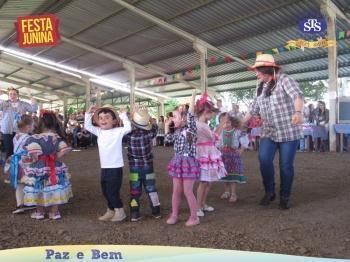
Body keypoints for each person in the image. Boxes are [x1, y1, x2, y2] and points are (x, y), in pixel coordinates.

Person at [244, 54, 304, 210]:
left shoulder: (284, 80)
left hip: (288, 131)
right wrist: (239, 124)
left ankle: (285, 196)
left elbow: (297, 96)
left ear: (266, 69)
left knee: (285, 165)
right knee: (264, 160)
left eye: (257, 70)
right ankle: (269, 192)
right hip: (269, 131)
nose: (256, 73)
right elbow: (252, 110)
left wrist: (298, 112)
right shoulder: (260, 87)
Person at [21, 110, 72, 220]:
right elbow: (62, 152)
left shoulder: (34, 138)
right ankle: (54, 212)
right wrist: (54, 157)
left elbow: (33, 155)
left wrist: (34, 160)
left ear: (40, 123)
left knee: (38, 187)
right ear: (54, 123)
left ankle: (39, 212)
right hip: (54, 165)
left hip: (38, 166)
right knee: (55, 186)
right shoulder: (57, 138)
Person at [85, 104, 131, 222]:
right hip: (104, 167)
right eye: (100, 118)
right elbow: (87, 126)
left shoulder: (118, 131)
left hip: (115, 168)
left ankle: (120, 211)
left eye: (107, 117)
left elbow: (128, 128)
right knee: (105, 191)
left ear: (114, 120)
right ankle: (111, 210)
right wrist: (88, 113)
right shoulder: (99, 132)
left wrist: (123, 115)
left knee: (112, 191)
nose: (103, 120)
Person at [165, 91, 200, 226]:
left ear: (184, 119)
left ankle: (194, 217)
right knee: (176, 190)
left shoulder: (191, 130)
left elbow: (191, 113)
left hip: (189, 163)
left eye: (174, 117)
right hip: (177, 161)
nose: (172, 119)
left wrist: (192, 98)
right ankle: (174, 214)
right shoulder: (177, 131)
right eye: (172, 117)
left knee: (187, 190)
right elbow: (168, 140)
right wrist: (167, 127)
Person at [126, 107, 160, 222]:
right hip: (148, 168)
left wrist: (131, 115)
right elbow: (155, 126)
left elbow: (125, 126)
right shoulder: (149, 134)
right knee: (152, 189)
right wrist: (150, 120)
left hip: (134, 169)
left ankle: (135, 214)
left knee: (134, 192)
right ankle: (156, 212)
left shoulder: (129, 135)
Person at [196, 92, 227, 217]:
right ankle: (198, 207)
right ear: (206, 112)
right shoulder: (201, 125)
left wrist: (221, 125)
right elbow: (214, 138)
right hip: (204, 154)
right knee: (204, 181)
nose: (214, 114)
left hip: (208, 153)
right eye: (212, 112)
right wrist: (221, 125)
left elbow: (214, 138)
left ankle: (202, 204)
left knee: (208, 181)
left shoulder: (204, 124)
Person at [215, 114, 249, 202]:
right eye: (223, 123)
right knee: (225, 175)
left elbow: (244, 139)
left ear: (232, 122)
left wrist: (241, 149)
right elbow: (216, 142)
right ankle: (226, 191)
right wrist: (218, 149)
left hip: (233, 156)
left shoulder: (237, 131)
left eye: (228, 122)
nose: (226, 125)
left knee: (233, 175)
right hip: (223, 156)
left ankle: (233, 193)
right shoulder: (220, 132)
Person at [6, 115, 35, 214]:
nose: (33, 127)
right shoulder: (29, 138)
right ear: (27, 127)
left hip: (16, 162)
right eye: (33, 126)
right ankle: (30, 202)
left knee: (19, 185)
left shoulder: (16, 136)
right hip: (25, 163)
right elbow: (31, 151)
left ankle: (20, 205)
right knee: (30, 182)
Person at [0, 88, 38, 158]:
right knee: (9, 150)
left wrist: (30, 96)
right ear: (8, 95)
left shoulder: (23, 104)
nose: (12, 95)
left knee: (20, 149)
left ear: (17, 95)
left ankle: (19, 166)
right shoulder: (4, 103)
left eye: (14, 94)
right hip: (7, 130)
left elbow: (33, 108)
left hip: (20, 130)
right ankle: (10, 166)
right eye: (10, 94)